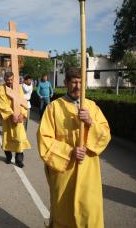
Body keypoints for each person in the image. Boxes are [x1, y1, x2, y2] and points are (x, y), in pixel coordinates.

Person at [37, 67, 111, 228]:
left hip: (88, 169)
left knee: (89, 211)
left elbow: (105, 134)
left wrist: (91, 122)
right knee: (64, 210)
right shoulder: (54, 108)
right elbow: (44, 139)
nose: (77, 86)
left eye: (80, 82)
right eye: (73, 82)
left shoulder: (92, 107)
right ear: (66, 83)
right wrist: (70, 151)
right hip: (65, 169)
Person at [0, 71, 30, 168]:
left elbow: (23, 102)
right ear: (4, 79)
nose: (9, 81)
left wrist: (22, 114)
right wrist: (12, 115)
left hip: (18, 118)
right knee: (7, 138)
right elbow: (2, 104)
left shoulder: (18, 88)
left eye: (11, 79)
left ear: (14, 79)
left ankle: (19, 160)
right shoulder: (1, 88)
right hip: (8, 119)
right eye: (7, 80)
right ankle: (8, 157)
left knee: (19, 138)